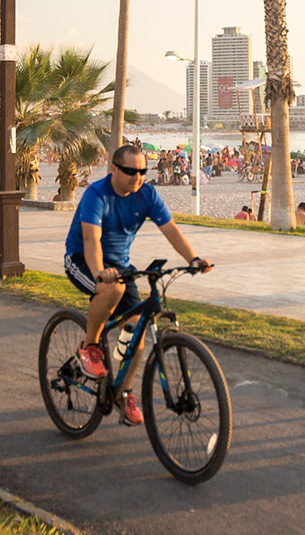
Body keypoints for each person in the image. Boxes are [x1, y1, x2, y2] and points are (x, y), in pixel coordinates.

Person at [64, 144, 211, 426]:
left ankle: (122, 392)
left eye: (142, 170)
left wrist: (192, 258)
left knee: (138, 329)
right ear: (115, 169)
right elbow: (90, 240)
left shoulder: (147, 194)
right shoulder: (97, 194)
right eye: (131, 171)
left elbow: (170, 229)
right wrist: (98, 273)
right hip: (83, 260)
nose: (138, 176)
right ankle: (90, 346)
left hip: (120, 266)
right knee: (113, 288)